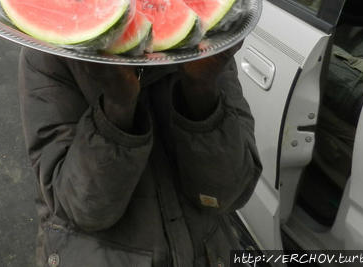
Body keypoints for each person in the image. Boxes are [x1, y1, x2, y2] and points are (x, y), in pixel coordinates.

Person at [19, 44, 261, 266]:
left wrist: (201, 89)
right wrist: (118, 107)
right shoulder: (47, 54)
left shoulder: (207, 42)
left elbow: (228, 195)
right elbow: (84, 210)